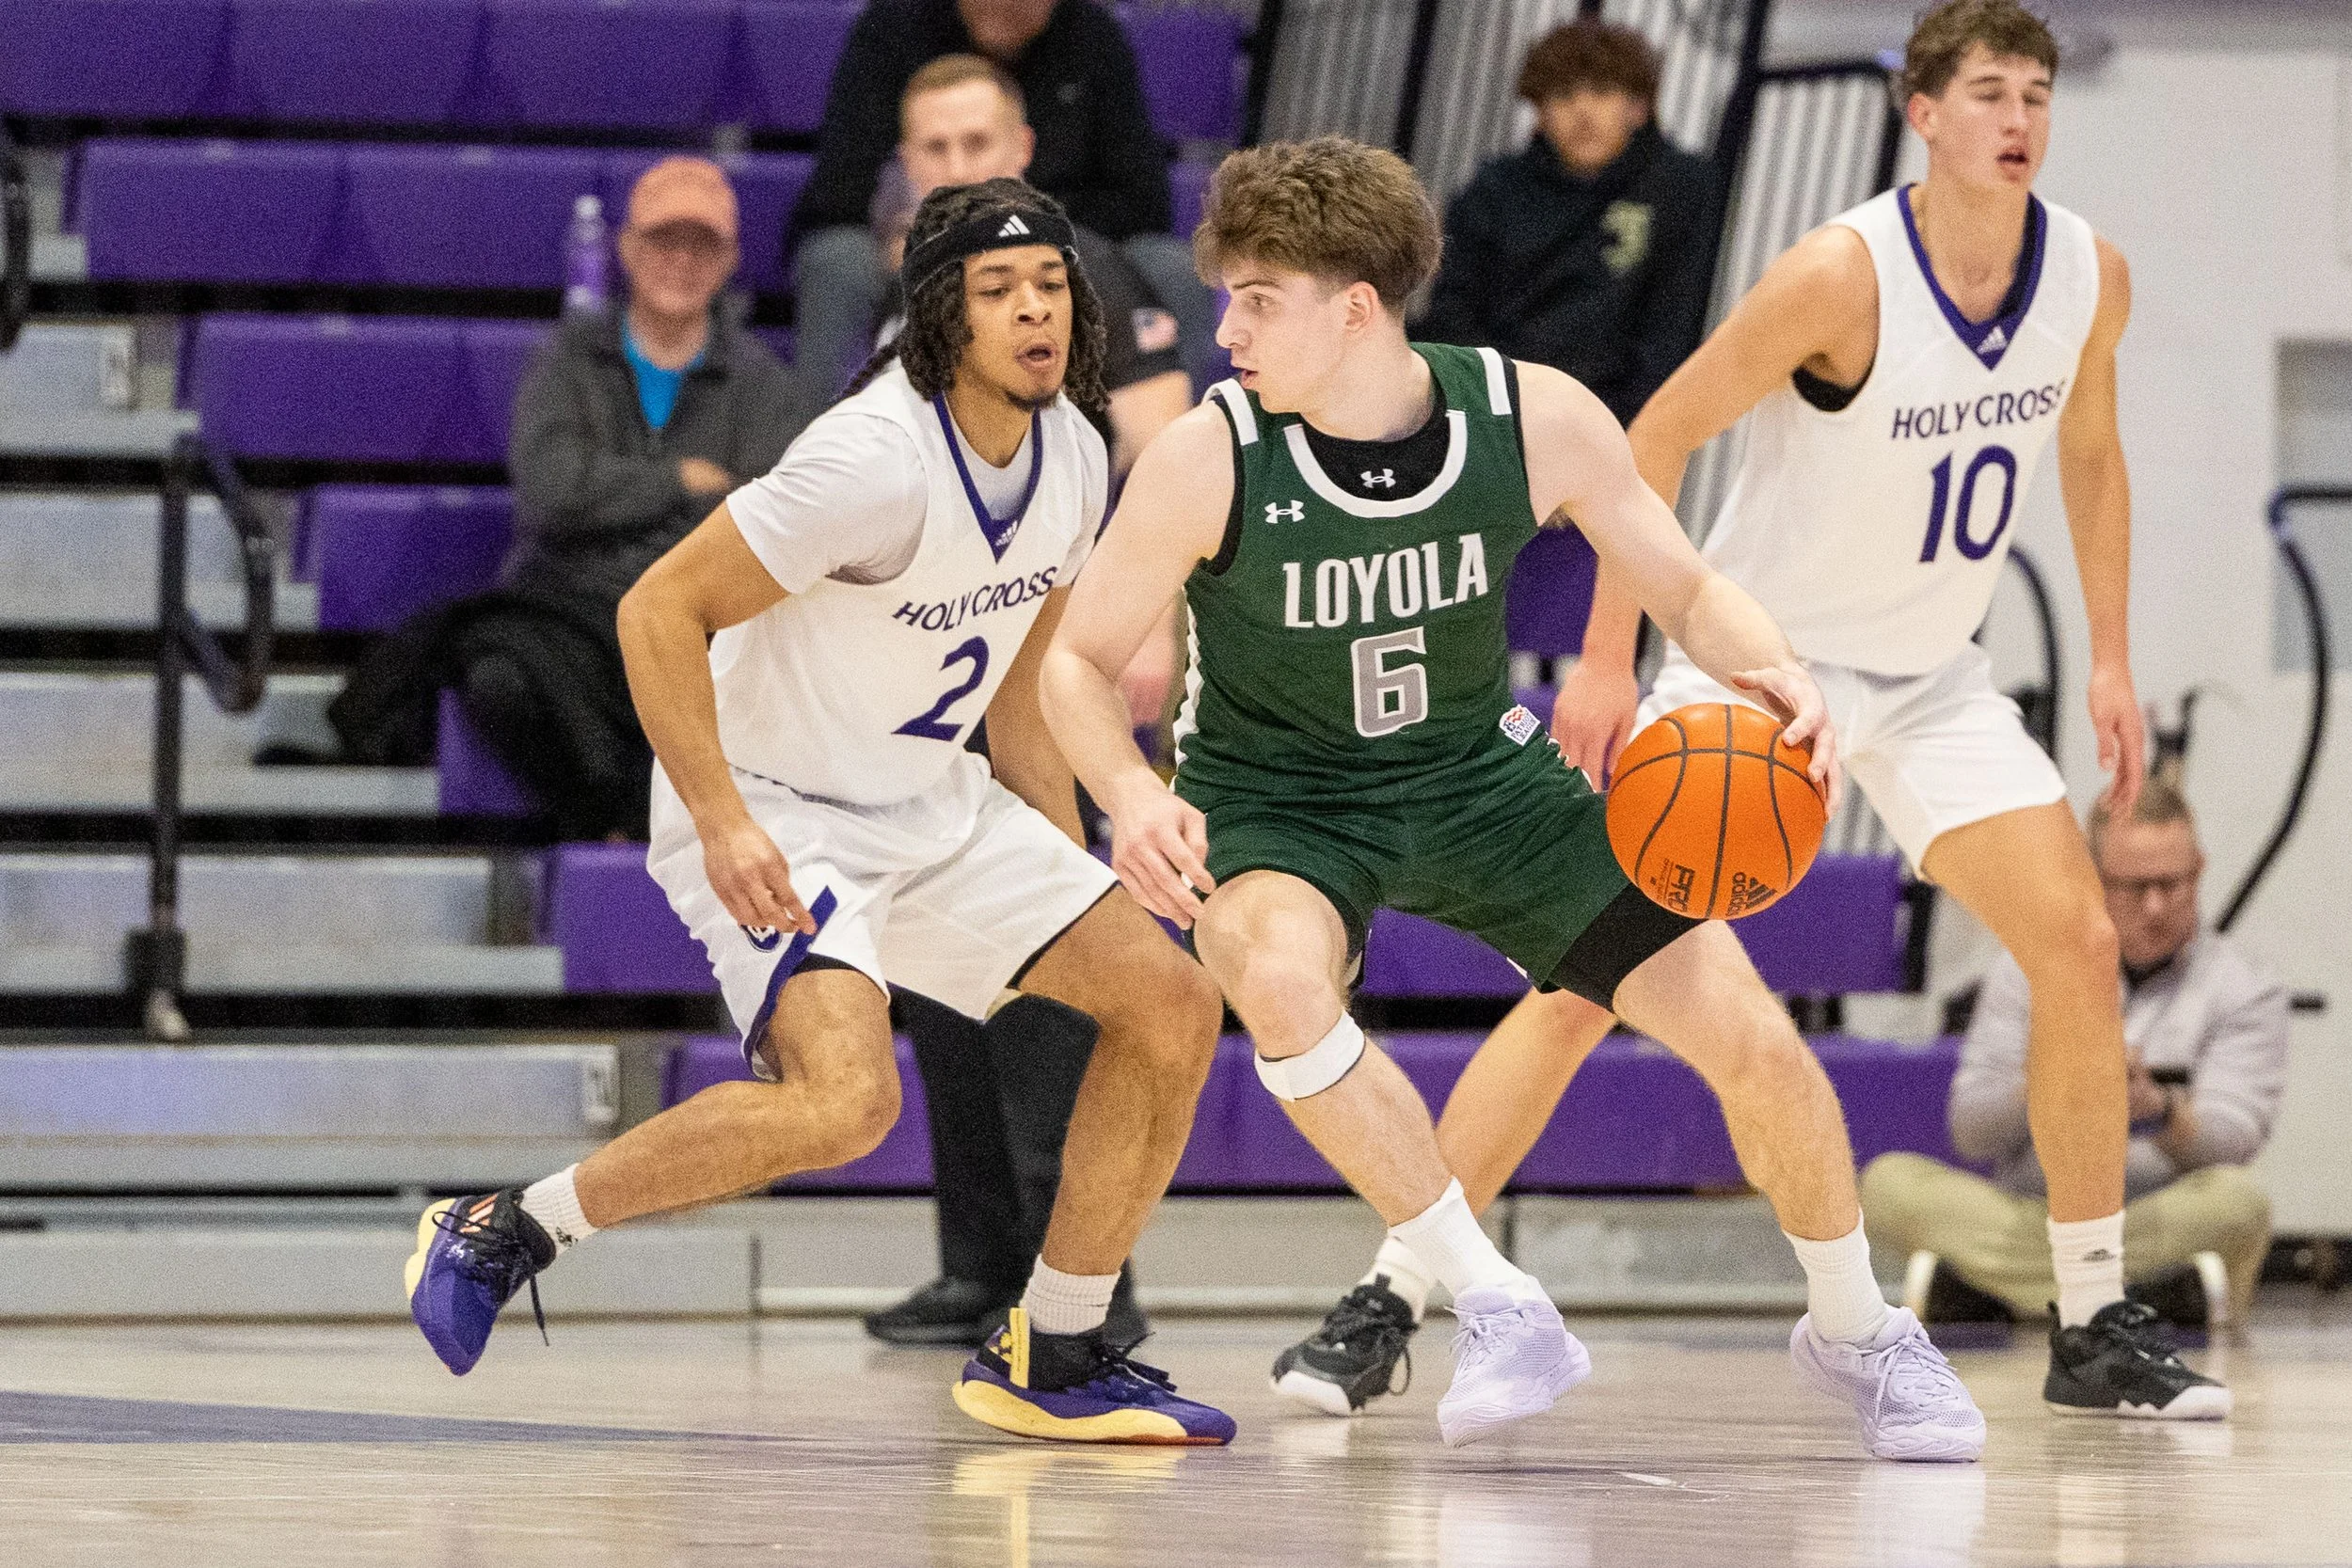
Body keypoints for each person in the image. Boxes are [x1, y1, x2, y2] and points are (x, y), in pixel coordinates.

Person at [1296, 0, 2230, 1424]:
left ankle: (2095, 1313)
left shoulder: (2087, 273)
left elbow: (2091, 459)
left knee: (2082, 940)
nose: (2019, 119)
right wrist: (1608, 658)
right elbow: (1649, 438)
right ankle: (1394, 1291)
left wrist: (2108, 657)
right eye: (1988, 92)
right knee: (1577, 987)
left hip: (1929, 674)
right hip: (1755, 671)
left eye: (2035, 93)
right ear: (1923, 114)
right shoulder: (1838, 275)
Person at [1041, 135, 1983, 1460]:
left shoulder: (1530, 416)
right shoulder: (1210, 454)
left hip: (1485, 775)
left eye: (1257, 296)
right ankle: (1490, 1296)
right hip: (1284, 798)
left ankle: (1857, 1323)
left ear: (1353, 306)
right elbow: (1075, 665)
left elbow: (1688, 583)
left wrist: (1770, 662)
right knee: (1277, 978)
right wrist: (1131, 792)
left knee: (1754, 1040)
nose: (1226, 324)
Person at [404, 180, 1236, 1448]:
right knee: (848, 1103)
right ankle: (507, 1226)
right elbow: (656, 612)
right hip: (781, 804)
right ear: (941, 315)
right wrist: (727, 819)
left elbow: (1017, 686)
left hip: (932, 799)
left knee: (1170, 998)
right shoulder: (869, 459)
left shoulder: (1071, 451)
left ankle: (1055, 1345)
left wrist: (1073, 864)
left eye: (1052, 286)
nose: (1035, 312)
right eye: (1000, 289)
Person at [858, 55, 1191, 1352]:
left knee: (1059, 970)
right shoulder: (908, 308)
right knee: (945, 975)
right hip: (930, 692)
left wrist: (1147, 627)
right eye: (930, 143)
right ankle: (982, 1261)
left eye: (974, 137)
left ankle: (1091, 1281)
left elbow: (1164, 452)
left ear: (1024, 138)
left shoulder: (1077, 270)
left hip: (1059, 670)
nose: (952, 159)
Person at [324, 158, 815, 836]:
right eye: (663, 240)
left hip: (698, 621)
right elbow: (550, 492)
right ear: (626, 249)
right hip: (568, 608)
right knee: (500, 678)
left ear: (730, 259)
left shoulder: (765, 386)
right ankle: (609, 824)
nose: (680, 260)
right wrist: (678, 483)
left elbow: (764, 525)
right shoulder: (565, 359)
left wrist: (614, 507)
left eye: (701, 244)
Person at [1866, 778, 2287, 1332]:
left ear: (2199, 871)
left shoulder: (2244, 985)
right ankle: (2134, 1299)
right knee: (1884, 1184)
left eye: (2171, 884)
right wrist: (2054, 1082)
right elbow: (1970, 1130)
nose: (2155, 907)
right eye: (2132, 887)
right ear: (2092, 878)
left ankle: (2004, 1294)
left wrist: (2156, 1109)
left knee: (2241, 1203)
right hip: (2032, 1213)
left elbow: (2235, 1141)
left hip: (2153, 1213)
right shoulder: (2025, 967)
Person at [790, 0, 1214, 397]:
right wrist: (906, 228)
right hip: (910, 234)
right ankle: (816, 444)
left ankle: (1175, 449)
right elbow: (837, 188)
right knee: (835, 258)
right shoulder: (891, 27)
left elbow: (1143, 199)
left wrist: (1020, 233)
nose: (1006, 6)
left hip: (1064, 241)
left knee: (1171, 265)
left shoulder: (1092, 36)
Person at [1420, 19, 1723, 426]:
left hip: (1617, 421)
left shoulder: (1682, 188)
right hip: (1493, 411)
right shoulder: (1494, 189)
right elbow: (1452, 315)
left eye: (1601, 91)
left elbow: (1672, 328)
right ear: (1539, 114)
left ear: (1639, 107)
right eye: (1562, 96)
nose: (1582, 110)